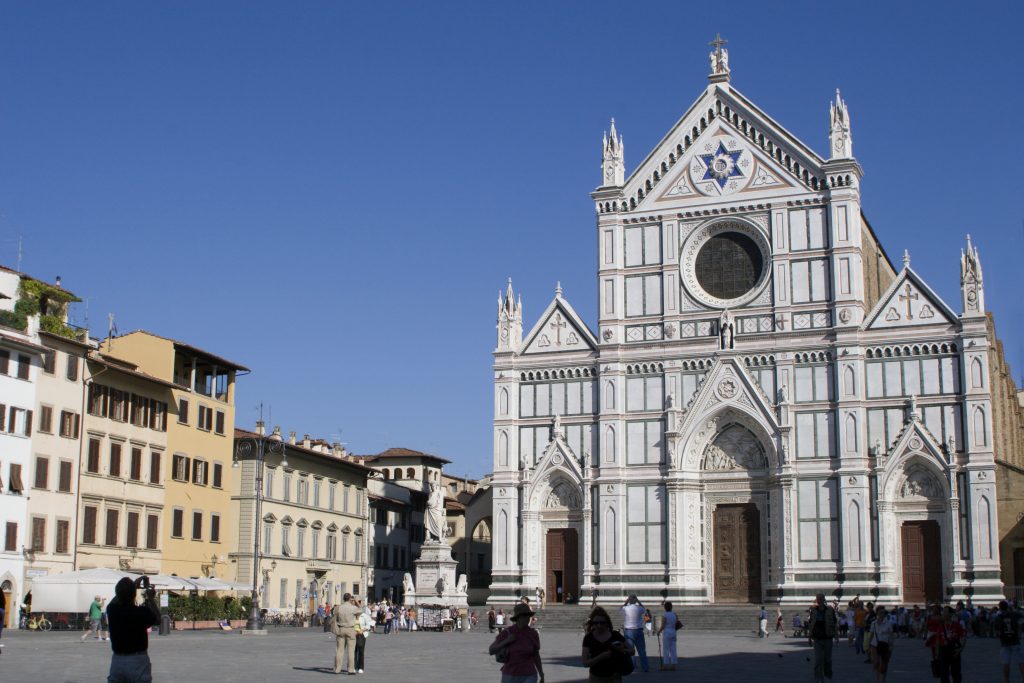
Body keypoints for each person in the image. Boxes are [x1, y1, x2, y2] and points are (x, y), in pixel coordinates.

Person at [105, 576, 161, 683]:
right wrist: (151, 598)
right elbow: (158, 620)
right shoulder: (142, 612)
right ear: (134, 594)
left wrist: (132, 586)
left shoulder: (112, 610)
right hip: (138, 660)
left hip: (118, 659)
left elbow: (116, 599)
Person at [488, 603, 544, 683]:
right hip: (510, 675)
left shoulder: (533, 633)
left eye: (528, 616)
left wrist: (541, 674)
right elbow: (491, 650)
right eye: (524, 616)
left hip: (529, 674)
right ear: (518, 618)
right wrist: (506, 641)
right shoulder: (508, 632)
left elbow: (536, 655)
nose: (527, 618)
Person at [582, 606, 635, 683]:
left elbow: (632, 651)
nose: (599, 625)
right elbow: (585, 663)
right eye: (596, 623)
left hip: (614, 677)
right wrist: (601, 657)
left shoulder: (615, 635)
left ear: (607, 623)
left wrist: (622, 650)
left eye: (602, 623)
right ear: (592, 624)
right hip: (596, 678)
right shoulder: (588, 638)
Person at [807, 592, 837, 683]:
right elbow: (811, 624)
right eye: (817, 599)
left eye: (820, 598)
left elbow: (835, 623)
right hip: (817, 639)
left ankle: (827, 675)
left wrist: (836, 635)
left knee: (827, 659)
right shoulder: (813, 610)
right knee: (818, 660)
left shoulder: (830, 610)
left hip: (828, 637)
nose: (819, 600)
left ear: (824, 599)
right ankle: (819, 679)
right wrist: (809, 637)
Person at [332, 592, 361, 675]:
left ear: (343, 598)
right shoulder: (353, 608)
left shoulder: (339, 607)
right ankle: (350, 669)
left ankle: (337, 669)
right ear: (350, 599)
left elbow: (334, 614)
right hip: (350, 629)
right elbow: (361, 611)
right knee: (351, 651)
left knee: (339, 650)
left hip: (341, 629)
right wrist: (356, 602)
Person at [994, 600, 1023, 683]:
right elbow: (1021, 620)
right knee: (1021, 661)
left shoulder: (998, 617)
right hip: (1015, 639)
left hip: (1004, 641)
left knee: (1005, 662)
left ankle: (1006, 680)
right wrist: (1019, 631)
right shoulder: (1014, 614)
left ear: (999, 608)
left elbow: (997, 630)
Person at [620, 594, 649, 673]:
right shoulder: (639, 608)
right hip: (638, 631)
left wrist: (626, 601)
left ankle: (632, 666)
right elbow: (644, 608)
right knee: (642, 650)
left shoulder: (626, 608)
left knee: (630, 650)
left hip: (628, 631)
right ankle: (645, 667)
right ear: (635, 601)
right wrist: (638, 601)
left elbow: (620, 609)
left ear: (629, 601)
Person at [869, 605, 894, 683]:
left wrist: (891, 645)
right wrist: (869, 646)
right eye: (880, 612)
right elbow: (871, 635)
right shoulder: (873, 623)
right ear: (877, 613)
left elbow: (891, 635)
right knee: (876, 663)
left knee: (884, 665)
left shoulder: (888, 623)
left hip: (885, 646)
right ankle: (878, 681)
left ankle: (882, 681)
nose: (882, 614)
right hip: (875, 645)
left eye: (883, 612)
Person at [656, 602, 678, 671]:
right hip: (673, 632)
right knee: (673, 649)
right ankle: (673, 665)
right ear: (671, 607)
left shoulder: (665, 615)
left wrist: (658, 632)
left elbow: (663, 625)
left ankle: (665, 665)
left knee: (666, 649)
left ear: (665, 608)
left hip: (667, 632)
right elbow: (676, 623)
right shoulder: (674, 615)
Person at [355, 602, 372, 675]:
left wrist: (362, 630)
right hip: (354, 634)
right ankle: (354, 666)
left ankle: (361, 667)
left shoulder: (364, 616)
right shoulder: (353, 616)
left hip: (362, 634)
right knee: (354, 651)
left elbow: (368, 625)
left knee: (361, 651)